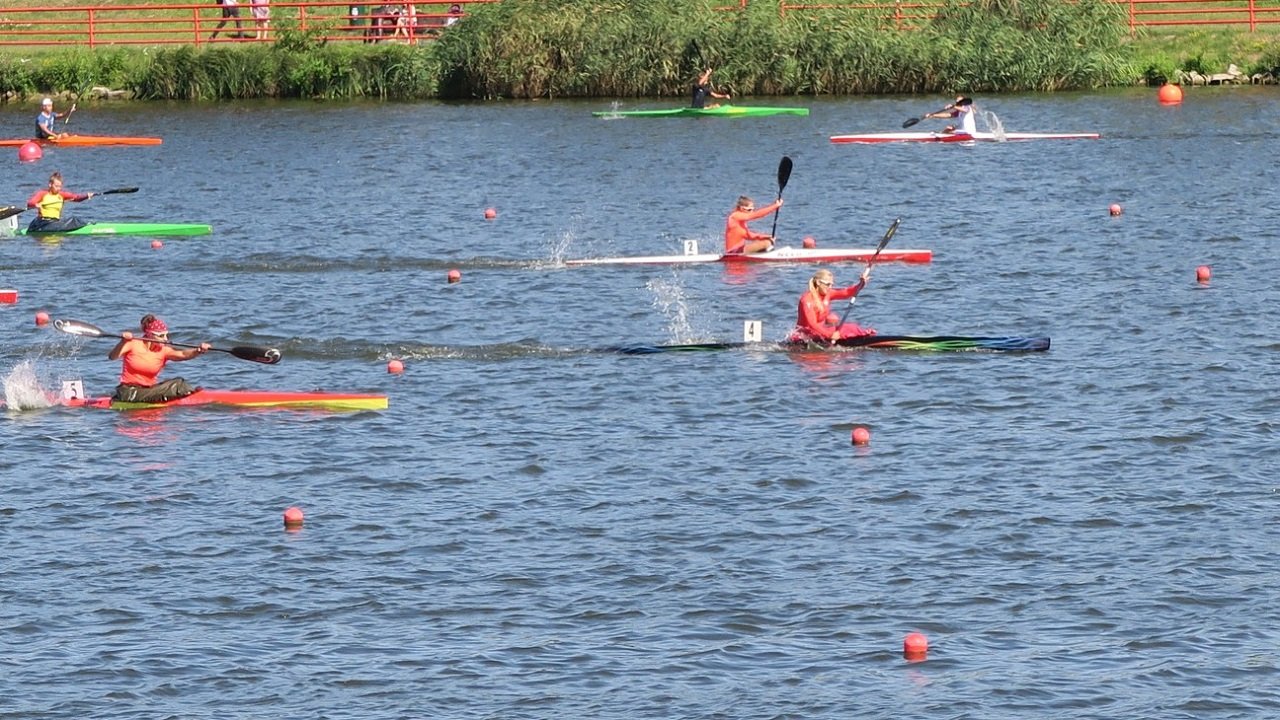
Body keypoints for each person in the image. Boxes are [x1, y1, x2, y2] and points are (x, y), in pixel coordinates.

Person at [108, 315, 210, 403]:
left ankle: (190, 394)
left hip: (147, 390)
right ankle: (192, 395)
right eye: (161, 336)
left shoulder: (163, 350)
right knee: (178, 384)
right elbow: (112, 357)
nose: (165, 339)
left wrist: (198, 350)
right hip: (129, 392)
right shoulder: (132, 344)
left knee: (178, 381)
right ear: (150, 335)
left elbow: (182, 354)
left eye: (166, 335)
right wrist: (122, 342)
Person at [788, 268, 877, 344]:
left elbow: (846, 293)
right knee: (843, 328)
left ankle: (864, 336)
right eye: (828, 284)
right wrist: (830, 335)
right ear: (818, 282)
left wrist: (860, 284)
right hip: (804, 336)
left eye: (831, 284)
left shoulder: (828, 293)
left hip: (820, 332)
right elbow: (812, 324)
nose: (830, 287)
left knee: (851, 327)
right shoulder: (807, 300)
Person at [26, 171, 94, 234]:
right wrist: (35, 204)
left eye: (60, 187)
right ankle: (86, 225)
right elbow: (30, 203)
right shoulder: (42, 194)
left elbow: (76, 198)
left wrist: (86, 196)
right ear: (50, 184)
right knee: (73, 220)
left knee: (73, 219)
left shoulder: (61, 195)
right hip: (43, 223)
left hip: (54, 222)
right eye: (56, 186)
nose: (58, 188)